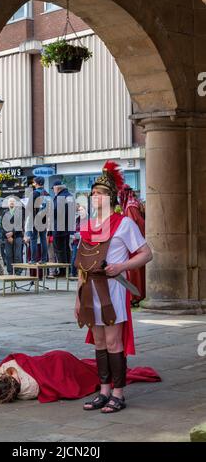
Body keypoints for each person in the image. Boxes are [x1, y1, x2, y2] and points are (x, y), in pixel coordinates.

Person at [74, 161, 153, 414]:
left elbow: (146, 254)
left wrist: (121, 266)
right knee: (98, 341)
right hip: (90, 290)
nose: (94, 197)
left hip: (114, 289)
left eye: (99, 193)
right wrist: (77, 298)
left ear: (110, 198)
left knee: (112, 341)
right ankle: (104, 390)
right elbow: (82, 266)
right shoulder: (86, 225)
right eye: (93, 193)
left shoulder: (124, 224)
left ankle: (118, 393)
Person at [0, 350, 160, 405]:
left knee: (90, 375)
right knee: (89, 370)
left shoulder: (28, 392)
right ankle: (112, 372)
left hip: (61, 367)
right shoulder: (8, 366)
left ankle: (112, 373)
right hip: (58, 358)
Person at [119, 184, 146, 306]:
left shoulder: (130, 207)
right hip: (137, 241)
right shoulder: (135, 202)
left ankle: (134, 296)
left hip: (133, 244)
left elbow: (134, 224)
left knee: (134, 271)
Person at [52, 180, 75, 277]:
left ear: (57, 188)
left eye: (53, 188)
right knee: (66, 249)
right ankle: (67, 270)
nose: (53, 191)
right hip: (67, 227)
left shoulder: (61, 197)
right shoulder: (69, 196)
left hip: (59, 227)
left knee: (60, 250)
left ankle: (62, 271)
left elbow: (56, 211)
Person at [26, 176, 49, 264]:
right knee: (43, 239)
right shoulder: (46, 193)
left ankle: (33, 259)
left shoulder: (34, 193)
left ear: (37, 183)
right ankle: (43, 259)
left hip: (35, 218)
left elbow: (28, 207)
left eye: (34, 182)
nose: (33, 184)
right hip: (44, 219)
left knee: (33, 239)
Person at [2, 197, 24, 275]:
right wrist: (8, 235)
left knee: (17, 255)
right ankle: (10, 271)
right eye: (10, 201)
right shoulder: (4, 212)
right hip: (7, 237)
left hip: (17, 236)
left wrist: (12, 233)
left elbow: (20, 224)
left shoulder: (19, 212)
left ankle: (18, 271)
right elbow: (3, 225)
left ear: (16, 203)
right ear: (8, 203)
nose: (11, 203)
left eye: (13, 201)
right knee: (8, 255)